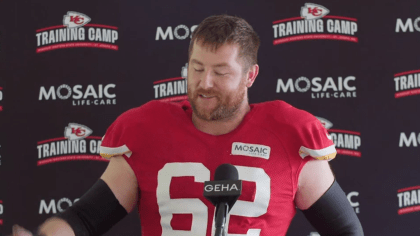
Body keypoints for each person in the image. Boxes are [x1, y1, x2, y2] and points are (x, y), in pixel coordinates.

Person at [11, 15, 363, 236]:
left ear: (250, 76)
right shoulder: (146, 129)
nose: (204, 83)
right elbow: (85, 220)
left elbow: (346, 230)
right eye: (196, 68)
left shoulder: (289, 132)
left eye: (221, 72)